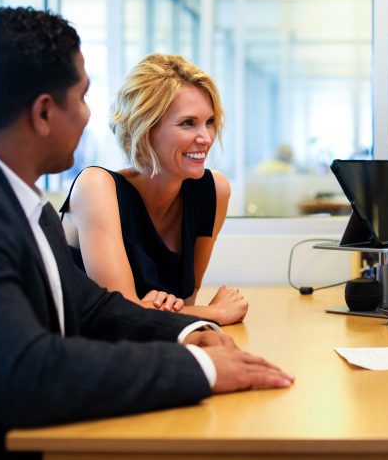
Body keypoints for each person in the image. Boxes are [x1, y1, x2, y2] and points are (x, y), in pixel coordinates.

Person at [0, 7, 293, 459]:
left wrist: (190, 329)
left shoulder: (18, 200)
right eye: (83, 97)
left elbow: (91, 306)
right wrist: (199, 367)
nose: (90, 115)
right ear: (43, 112)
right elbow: (29, 372)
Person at [60, 54, 248, 325]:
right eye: (188, 123)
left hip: (148, 349)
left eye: (209, 122)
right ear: (145, 128)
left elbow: (184, 301)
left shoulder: (214, 191)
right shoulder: (96, 188)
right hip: (80, 352)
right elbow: (121, 316)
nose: (206, 138)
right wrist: (216, 312)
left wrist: (159, 311)